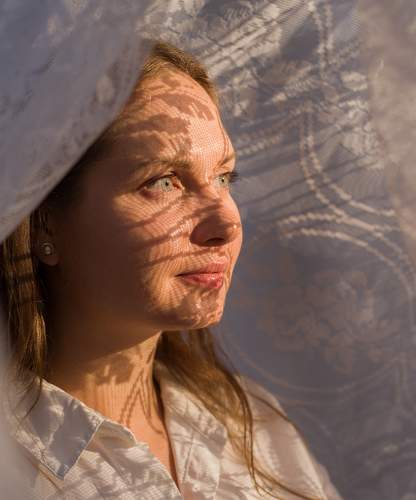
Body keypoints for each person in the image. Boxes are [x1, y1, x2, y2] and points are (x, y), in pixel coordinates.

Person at [0, 40, 341, 499]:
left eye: (224, 178)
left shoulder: (251, 424)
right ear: (43, 221)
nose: (227, 223)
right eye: (164, 182)